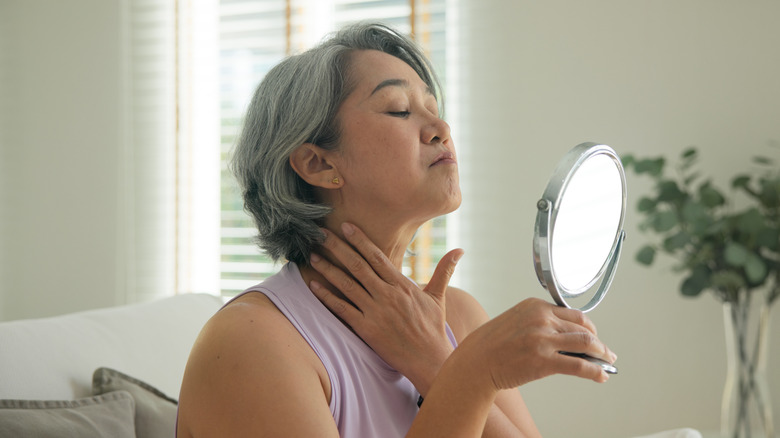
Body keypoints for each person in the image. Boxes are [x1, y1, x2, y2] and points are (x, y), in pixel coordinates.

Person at [176, 22, 617, 438]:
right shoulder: (252, 342)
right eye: (399, 109)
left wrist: (435, 359)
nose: (442, 129)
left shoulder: (458, 320)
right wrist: (468, 372)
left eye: (434, 109)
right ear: (319, 163)